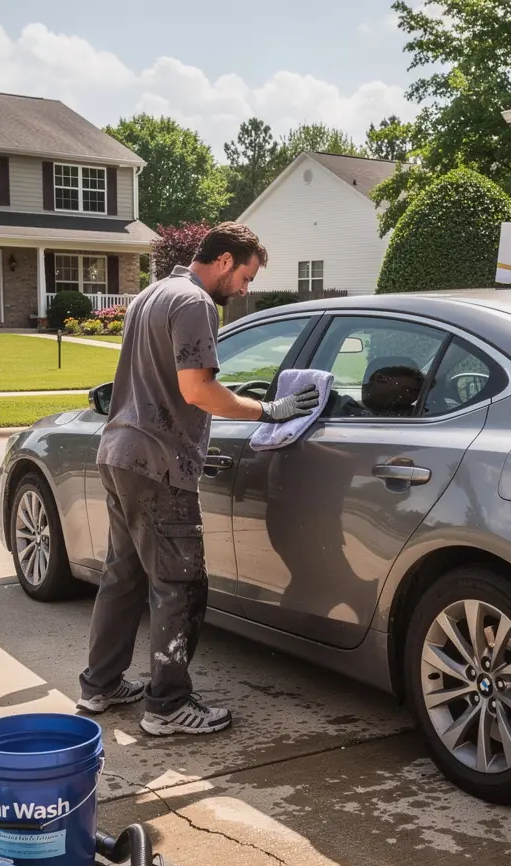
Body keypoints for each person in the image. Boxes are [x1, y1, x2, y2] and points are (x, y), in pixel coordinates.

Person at [77, 222, 320, 736]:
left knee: (123, 577)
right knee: (179, 586)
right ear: (227, 260)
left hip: (120, 451)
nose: (245, 290)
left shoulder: (152, 293)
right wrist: (268, 410)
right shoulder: (194, 304)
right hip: (160, 462)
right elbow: (198, 390)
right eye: (247, 277)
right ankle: (167, 705)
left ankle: (100, 685)